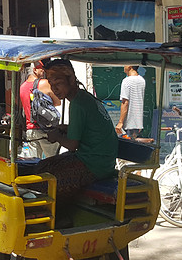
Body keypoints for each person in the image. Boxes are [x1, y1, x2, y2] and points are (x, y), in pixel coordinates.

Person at [32, 59, 117, 202]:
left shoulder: (78, 103)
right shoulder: (84, 97)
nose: (54, 89)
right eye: (51, 85)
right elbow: (89, 129)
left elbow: (72, 146)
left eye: (58, 83)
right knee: (43, 165)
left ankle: (60, 218)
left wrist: (56, 136)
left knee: (43, 182)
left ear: (71, 79)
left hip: (94, 165)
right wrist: (66, 129)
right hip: (100, 161)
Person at [19, 61, 60, 158]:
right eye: (41, 68)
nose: (43, 70)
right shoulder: (44, 83)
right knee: (53, 161)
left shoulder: (22, 87)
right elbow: (58, 102)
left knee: (34, 163)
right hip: (45, 130)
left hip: (30, 130)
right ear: (34, 70)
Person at [116, 65, 145, 140]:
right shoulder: (142, 80)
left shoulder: (127, 81)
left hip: (129, 123)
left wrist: (120, 122)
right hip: (138, 123)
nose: (123, 66)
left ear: (130, 66)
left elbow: (125, 102)